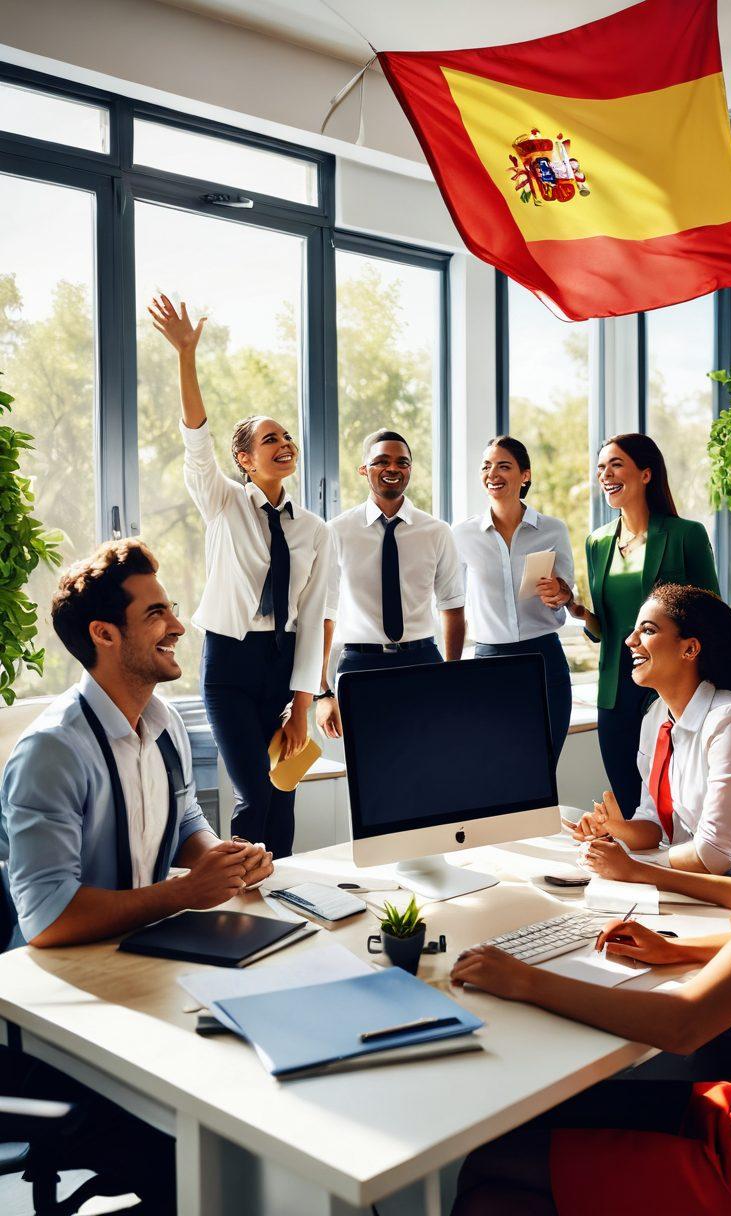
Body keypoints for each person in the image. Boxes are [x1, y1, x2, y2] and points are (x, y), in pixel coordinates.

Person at [451, 636, 731, 1216]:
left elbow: (684, 1027)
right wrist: (679, 952)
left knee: (491, 1181)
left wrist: (523, 980)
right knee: (494, 1156)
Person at [0, 540, 273, 949]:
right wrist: (184, 893)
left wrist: (226, 862)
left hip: (141, 950)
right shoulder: (50, 752)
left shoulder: (166, 724)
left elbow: (182, 823)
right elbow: (47, 917)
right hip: (61, 975)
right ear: (104, 634)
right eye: (156, 614)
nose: (178, 628)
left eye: (171, 609)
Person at [150, 294, 331, 855]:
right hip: (229, 662)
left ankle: (290, 894)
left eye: (286, 438)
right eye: (269, 439)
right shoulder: (223, 504)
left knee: (284, 787)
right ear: (246, 461)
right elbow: (196, 443)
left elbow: (315, 617)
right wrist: (186, 354)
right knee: (254, 792)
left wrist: (302, 706)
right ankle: (242, 894)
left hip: (282, 664)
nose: (283, 444)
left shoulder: (314, 531)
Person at [568, 585, 731, 879]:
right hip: (699, 882)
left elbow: (714, 853)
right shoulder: (656, 716)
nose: (630, 640)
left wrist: (634, 867)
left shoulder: (730, 722)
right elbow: (653, 825)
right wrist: (613, 829)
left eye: (647, 630)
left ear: (690, 648)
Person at [565, 434, 720, 818]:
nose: (605, 474)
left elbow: (713, 617)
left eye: (615, 464)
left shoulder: (685, 535)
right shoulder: (597, 542)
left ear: (646, 473)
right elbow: (606, 629)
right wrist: (579, 612)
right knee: (632, 805)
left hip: (670, 688)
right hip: (615, 691)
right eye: (601, 467)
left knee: (675, 805)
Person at [315, 429, 465, 739]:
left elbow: (452, 608)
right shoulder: (336, 532)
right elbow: (322, 616)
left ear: (410, 469)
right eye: (381, 461)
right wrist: (322, 692)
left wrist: (452, 677)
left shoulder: (437, 532)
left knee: (430, 762)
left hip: (423, 662)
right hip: (360, 666)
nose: (392, 468)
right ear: (363, 470)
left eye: (402, 462)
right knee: (368, 771)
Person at [453, 436, 575, 763]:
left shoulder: (553, 529)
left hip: (544, 658)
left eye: (504, 466)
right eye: (486, 466)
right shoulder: (462, 535)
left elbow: (568, 592)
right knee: (497, 766)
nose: (493, 473)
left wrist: (560, 593)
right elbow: (452, 604)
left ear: (525, 475)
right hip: (489, 661)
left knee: (544, 766)